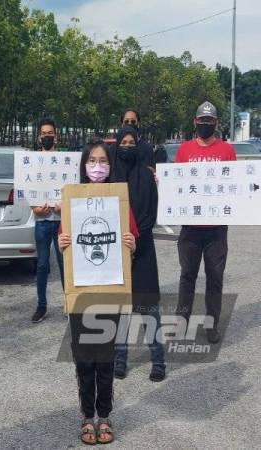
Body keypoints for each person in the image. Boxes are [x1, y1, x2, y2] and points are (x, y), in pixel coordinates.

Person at [58, 139, 138, 445]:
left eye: (103, 161)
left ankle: (104, 416)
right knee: (83, 359)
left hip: (109, 289)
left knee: (105, 358)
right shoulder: (72, 200)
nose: (97, 167)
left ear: (110, 166)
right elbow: (63, 244)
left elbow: (130, 241)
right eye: (92, 161)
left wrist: (131, 244)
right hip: (81, 291)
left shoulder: (119, 200)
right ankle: (86, 417)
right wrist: (63, 243)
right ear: (83, 165)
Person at [174, 101, 236, 343]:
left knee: (215, 276)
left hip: (216, 229)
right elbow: (177, 185)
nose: (206, 125)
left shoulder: (226, 151)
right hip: (190, 228)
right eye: (202, 121)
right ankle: (182, 321)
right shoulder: (184, 150)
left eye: (210, 121)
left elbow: (234, 186)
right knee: (187, 275)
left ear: (217, 123)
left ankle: (211, 324)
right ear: (195, 122)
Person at [110, 125, 166, 382]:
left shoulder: (147, 177)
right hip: (115, 250)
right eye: (124, 142)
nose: (128, 147)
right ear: (117, 144)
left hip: (142, 248)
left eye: (133, 143)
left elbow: (151, 214)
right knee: (120, 309)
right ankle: (120, 360)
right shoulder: (110, 175)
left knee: (148, 308)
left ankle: (158, 361)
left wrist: (135, 238)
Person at [31, 118, 64, 323]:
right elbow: (26, 190)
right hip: (42, 220)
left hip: (62, 220)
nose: (47, 136)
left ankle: (70, 303)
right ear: (39, 137)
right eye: (43, 133)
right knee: (42, 265)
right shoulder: (32, 162)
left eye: (50, 132)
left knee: (64, 265)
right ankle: (41, 306)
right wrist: (34, 208)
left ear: (56, 136)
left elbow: (73, 188)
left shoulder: (66, 161)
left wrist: (65, 204)